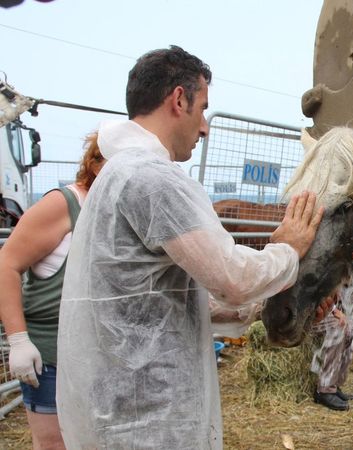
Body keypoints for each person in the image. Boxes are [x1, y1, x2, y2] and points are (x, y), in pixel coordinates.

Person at [55, 46, 325, 449]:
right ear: (179, 100)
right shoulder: (153, 179)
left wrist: (263, 306)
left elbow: (165, 301)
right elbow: (232, 279)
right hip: (151, 420)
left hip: (128, 412)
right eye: (202, 110)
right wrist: (287, 250)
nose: (204, 128)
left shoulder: (120, 173)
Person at [0, 133, 103, 450]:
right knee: (54, 442)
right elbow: (6, 264)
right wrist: (19, 340)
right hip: (51, 353)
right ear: (96, 164)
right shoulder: (63, 204)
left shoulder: (115, 209)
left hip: (98, 353)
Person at [311, 295, 353, 412]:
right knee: (338, 328)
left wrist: (334, 310)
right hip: (302, 317)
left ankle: (335, 385)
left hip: (320, 311)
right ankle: (324, 390)